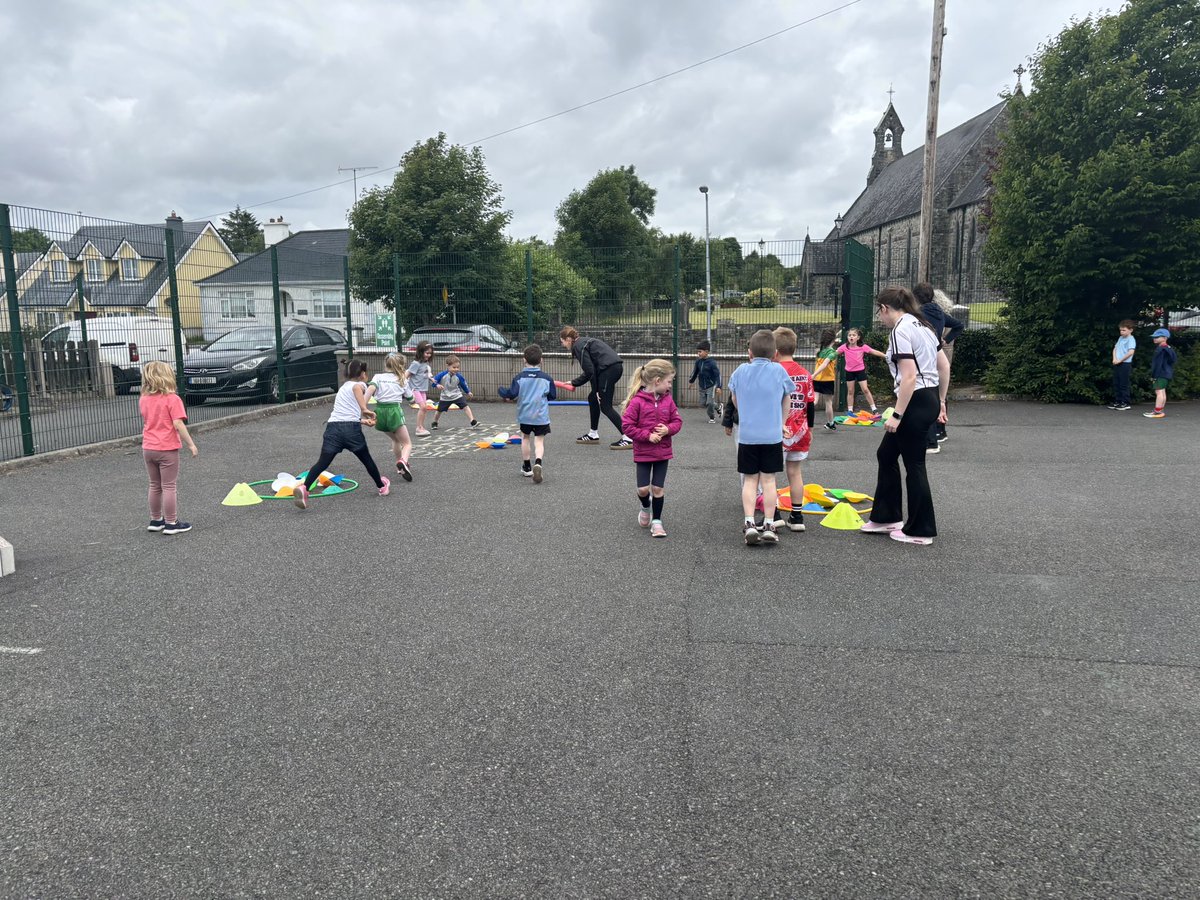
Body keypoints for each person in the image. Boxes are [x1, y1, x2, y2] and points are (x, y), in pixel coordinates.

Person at [859, 287, 950, 546]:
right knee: (886, 455)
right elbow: (943, 366)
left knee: (915, 465)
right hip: (927, 397)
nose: (879, 317)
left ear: (885, 308)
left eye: (879, 311)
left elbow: (909, 376)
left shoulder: (900, 329)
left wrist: (897, 415)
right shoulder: (923, 325)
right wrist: (941, 401)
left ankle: (920, 530)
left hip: (914, 401)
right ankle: (887, 517)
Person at [728, 329, 796, 546]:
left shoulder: (740, 371)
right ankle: (768, 524)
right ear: (775, 353)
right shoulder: (778, 371)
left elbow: (734, 397)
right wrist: (782, 423)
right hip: (771, 435)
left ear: (749, 352)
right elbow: (788, 397)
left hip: (748, 435)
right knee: (769, 481)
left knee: (750, 480)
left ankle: (749, 523)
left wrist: (746, 414)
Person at [294, 359, 389, 509]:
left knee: (322, 463)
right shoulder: (360, 385)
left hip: (333, 429)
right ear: (363, 374)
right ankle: (381, 486)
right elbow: (359, 396)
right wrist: (367, 412)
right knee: (366, 459)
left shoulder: (343, 388)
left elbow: (346, 414)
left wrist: (363, 421)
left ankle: (304, 488)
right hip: (351, 431)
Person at [620, 358, 682, 538]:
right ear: (657, 381)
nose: (670, 386)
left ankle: (657, 522)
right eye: (669, 381)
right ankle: (645, 506)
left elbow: (677, 421)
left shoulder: (668, 400)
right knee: (643, 490)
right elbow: (627, 426)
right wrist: (647, 436)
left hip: (663, 453)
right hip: (643, 453)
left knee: (658, 489)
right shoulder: (637, 402)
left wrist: (668, 429)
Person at [139, 360, 197, 535]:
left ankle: (156, 520)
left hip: (148, 448)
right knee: (169, 486)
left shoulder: (144, 399)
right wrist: (191, 444)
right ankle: (172, 523)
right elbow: (178, 423)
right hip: (167, 448)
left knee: (154, 485)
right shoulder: (173, 399)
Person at [773, 327, 816, 533]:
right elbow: (810, 404)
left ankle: (773, 514)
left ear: (775, 351)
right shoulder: (806, 375)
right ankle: (797, 517)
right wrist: (812, 428)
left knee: (769, 475)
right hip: (801, 430)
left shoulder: (775, 373)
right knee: (795, 472)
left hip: (777, 431)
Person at [559, 326, 631, 448]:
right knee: (593, 398)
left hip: (609, 370)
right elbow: (593, 370)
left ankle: (628, 437)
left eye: (562, 342)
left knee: (605, 406)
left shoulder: (578, 346)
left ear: (568, 339)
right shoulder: (583, 342)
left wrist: (574, 382)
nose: (563, 345)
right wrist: (595, 390)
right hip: (611, 369)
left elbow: (590, 372)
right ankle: (593, 434)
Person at [913, 283, 965, 449]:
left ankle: (930, 440)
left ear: (915, 298)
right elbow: (959, 325)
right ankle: (940, 431)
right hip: (938, 354)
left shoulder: (916, 315)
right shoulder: (939, 312)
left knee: (925, 393)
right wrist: (946, 340)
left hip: (925, 357)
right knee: (940, 393)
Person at [498, 343, 557, 482]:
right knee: (539, 440)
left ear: (524, 359)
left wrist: (501, 391)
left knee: (525, 438)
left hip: (525, 415)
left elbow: (511, 394)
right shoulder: (547, 378)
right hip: (540, 416)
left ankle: (527, 467)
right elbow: (552, 396)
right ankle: (538, 462)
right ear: (541, 360)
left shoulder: (519, 378)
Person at [365, 352, 414, 482]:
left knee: (396, 440)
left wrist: (363, 407)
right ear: (401, 366)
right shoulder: (402, 378)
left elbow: (370, 389)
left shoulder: (378, 377)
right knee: (407, 443)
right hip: (394, 412)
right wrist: (412, 398)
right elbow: (410, 398)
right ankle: (403, 461)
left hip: (380, 411)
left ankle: (399, 466)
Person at [836, 327, 886, 414]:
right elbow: (834, 353)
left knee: (865, 389)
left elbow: (873, 351)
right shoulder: (844, 347)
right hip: (849, 372)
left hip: (860, 371)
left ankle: (874, 409)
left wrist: (886, 356)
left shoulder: (863, 347)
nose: (851, 337)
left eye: (854, 335)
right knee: (850, 391)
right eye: (849, 335)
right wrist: (825, 354)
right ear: (847, 337)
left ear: (858, 337)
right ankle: (850, 410)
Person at [430, 354, 479, 429]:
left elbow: (463, 385)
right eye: (454, 367)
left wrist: (468, 392)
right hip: (445, 397)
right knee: (439, 410)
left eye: (458, 367)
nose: (456, 369)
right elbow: (433, 382)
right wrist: (437, 385)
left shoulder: (459, 376)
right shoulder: (442, 375)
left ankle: (472, 421)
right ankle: (435, 422)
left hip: (457, 395)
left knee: (465, 406)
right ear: (447, 366)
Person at [1144, 327, 1176, 419]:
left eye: (1157, 337)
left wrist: (1154, 375)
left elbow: (1157, 364)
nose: (1155, 338)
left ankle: (1157, 411)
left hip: (1160, 373)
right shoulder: (1169, 348)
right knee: (1162, 391)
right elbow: (1173, 360)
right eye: (1154, 337)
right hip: (1167, 372)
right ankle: (1160, 409)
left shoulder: (1160, 349)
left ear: (1165, 338)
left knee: (1158, 391)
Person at [688, 340, 723, 423]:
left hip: (711, 385)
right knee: (703, 403)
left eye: (700, 351)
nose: (698, 353)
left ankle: (712, 417)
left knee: (709, 403)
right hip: (702, 386)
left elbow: (718, 375)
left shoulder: (712, 363)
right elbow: (695, 372)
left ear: (707, 352)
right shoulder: (698, 362)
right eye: (698, 352)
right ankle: (718, 408)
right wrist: (691, 381)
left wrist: (719, 387)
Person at [811, 328, 839, 431]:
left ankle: (803, 418)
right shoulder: (833, 353)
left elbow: (822, 364)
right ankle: (831, 423)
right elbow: (825, 364)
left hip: (817, 379)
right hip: (827, 380)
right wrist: (814, 374)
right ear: (834, 340)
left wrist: (814, 375)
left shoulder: (819, 351)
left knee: (814, 401)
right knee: (828, 402)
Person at [406, 341, 435, 436]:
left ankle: (421, 426)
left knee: (424, 408)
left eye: (430, 353)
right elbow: (407, 374)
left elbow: (425, 375)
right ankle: (418, 428)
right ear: (420, 352)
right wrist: (402, 385)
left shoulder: (425, 364)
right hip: (415, 389)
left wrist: (432, 379)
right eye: (427, 353)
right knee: (422, 407)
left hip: (422, 389)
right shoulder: (416, 363)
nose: (429, 355)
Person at [1109, 319, 1137, 410]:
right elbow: (1115, 348)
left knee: (1123, 384)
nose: (1121, 332)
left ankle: (1125, 402)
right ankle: (1118, 401)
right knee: (1116, 382)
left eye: (1124, 330)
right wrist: (1114, 358)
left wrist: (1120, 360)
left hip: (1125, 364)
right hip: (1117, 362)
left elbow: (1131, 352)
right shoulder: (1120, 338)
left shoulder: (1131, 339)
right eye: (1120, 330)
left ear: (1131, 330)